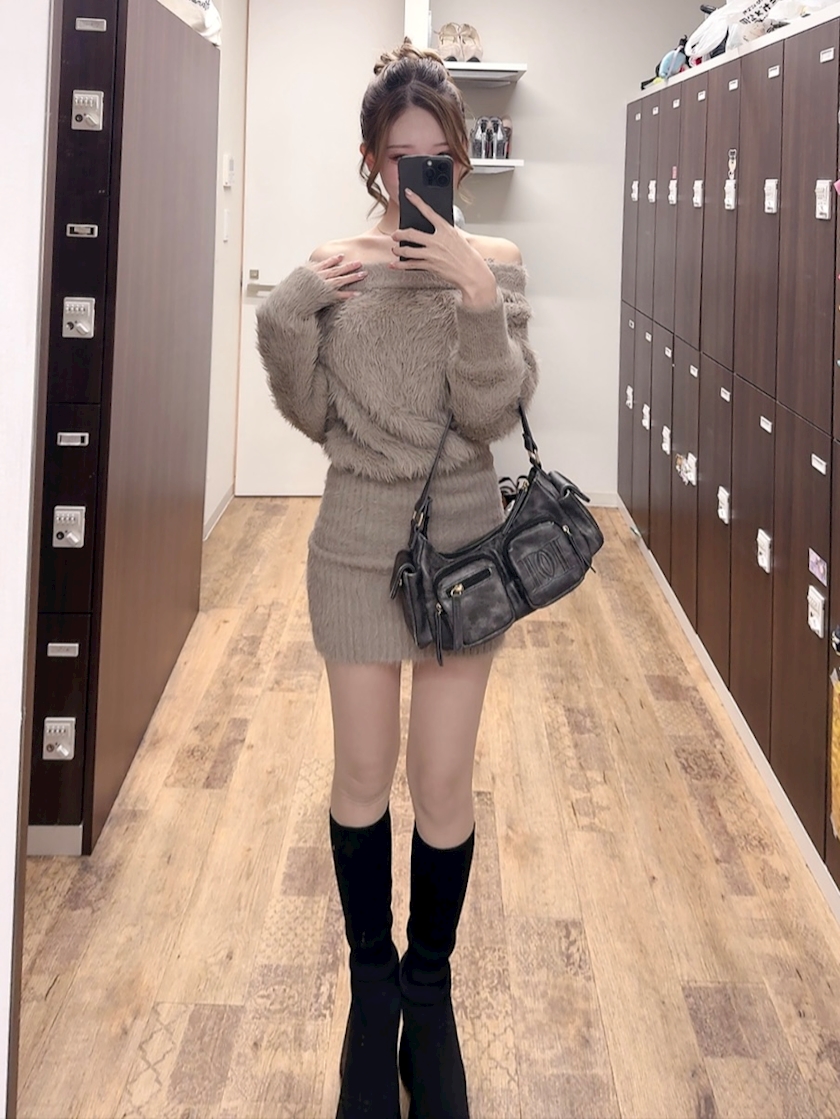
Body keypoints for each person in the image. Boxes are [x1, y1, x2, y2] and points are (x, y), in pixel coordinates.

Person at [256, 38, 538, 1119]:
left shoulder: (494, 261)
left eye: (438, 159)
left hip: (465, 549)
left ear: (458, 160)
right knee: (363, 776)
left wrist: (477, 298)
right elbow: (314, 413)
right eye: (400, 157)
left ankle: (431, 994)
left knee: (444, 784)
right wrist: (286, 314)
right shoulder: (336, 264)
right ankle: (373, 999)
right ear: (373, 159)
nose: (419, 175)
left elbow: (492, 412)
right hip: (357, 546)